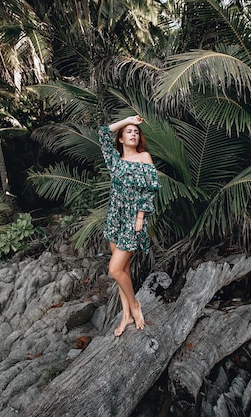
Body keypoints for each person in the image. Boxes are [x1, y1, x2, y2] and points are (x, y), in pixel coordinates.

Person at [98, 115, 160, 336]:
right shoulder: (114, 161)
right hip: (115, 218)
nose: (133, 134)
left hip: (133, 219)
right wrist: (127, 119)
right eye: (129, 132)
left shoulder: (144, 157)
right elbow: (103, 133)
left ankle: (135, 306)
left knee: (114, 269)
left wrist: (140, 218)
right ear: (122, 138)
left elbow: (150, 190)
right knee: (122, 270)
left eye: (136, 131)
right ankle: (126, 315)